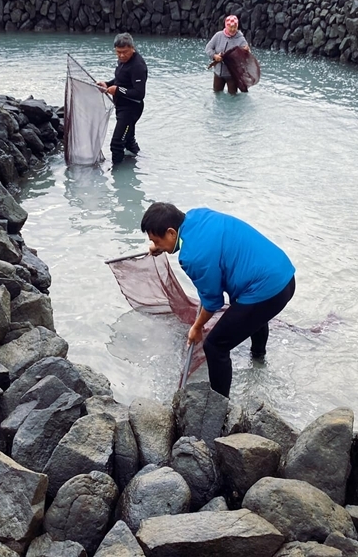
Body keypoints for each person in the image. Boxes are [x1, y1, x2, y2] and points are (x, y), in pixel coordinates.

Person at [140, 202, 296, 397]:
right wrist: (162, 247)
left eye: (157, 240)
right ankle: (258, 359)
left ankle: (219, 405)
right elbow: (203, 246)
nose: (156, 245)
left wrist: (197, 327)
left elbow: (213, 302)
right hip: (285, 276)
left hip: (268, 292)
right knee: (253, 313)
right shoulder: (197, 215)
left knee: (214, 346)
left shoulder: (192, 257)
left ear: (171, 232)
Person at [98, 33, 147, 165]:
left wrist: (117, 90)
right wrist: (107, 84)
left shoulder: (138, 66)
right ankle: (140, 162)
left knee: (117, 143)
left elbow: (139, 93)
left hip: (131, 109)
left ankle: (117, 172)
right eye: (118, 52)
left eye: (125, 52)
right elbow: (121, 79)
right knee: (128, 140)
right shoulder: (123, 61)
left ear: (132, 48)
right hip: (121, 106)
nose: (121, 56)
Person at [205, 15, 250, 94]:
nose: (232, 29)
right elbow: (208, 48)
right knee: (216, 94)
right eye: (230, 27)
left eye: (235, 27)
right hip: (218, 73)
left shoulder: (241, 39)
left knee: (233, 96)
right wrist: (214, 56)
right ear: (226, 26)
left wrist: (246, 52)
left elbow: (247, 56)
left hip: (232, 74)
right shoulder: (218, 36)